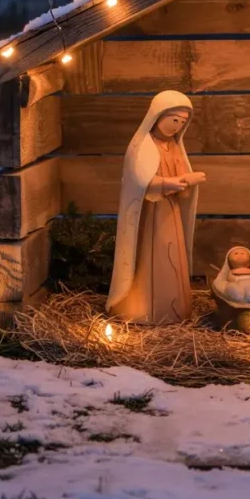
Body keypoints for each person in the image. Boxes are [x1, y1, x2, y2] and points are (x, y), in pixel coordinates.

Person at [106, 90, 205, 324]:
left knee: (172, 257)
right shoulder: (142, 145)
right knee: (151, 258)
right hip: (148, 215)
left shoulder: (174, 145)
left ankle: (172, 309)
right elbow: (141, 184)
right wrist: (171, 182)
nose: (176, 127)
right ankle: (142, 310)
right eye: (173, 120)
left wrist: (188, 180)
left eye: (181, 123)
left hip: (170, 210)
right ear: (158, 115)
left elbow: (181, 175)